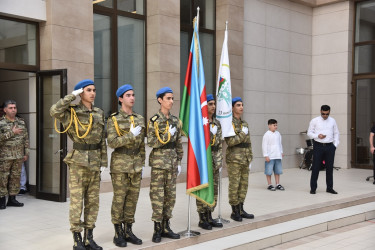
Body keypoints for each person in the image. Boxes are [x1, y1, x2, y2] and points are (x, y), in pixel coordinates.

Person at [50, 79, 107, 250]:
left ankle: (89, 237)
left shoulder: (99, 113)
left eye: (94, 90)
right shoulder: (71, 112)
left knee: (92, 202)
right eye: (88, 90)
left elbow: (101, 141)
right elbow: (54, 110)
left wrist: (104, 161)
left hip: (95, 162)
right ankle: (77, 239)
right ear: (80, 93)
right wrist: (70, 97)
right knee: (77, 202)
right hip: (78, 163)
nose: (92, 93)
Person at [107, 84, 145, 247]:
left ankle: (128, 230)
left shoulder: (139, 118)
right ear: (120, 98)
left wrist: (142, 162)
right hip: (120, 165)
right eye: (128, 95)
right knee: (119, 199)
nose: (132, 98)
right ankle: (118, 232)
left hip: (136, 165)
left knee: (132, 199)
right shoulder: (113, 119)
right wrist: (130, 135)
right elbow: (112, 142)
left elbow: (142, 144)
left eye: (133, 94)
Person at [147, 87, 183, 243]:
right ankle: (157, 228)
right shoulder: (154, 121)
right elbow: (152, 142)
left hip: (172, 164)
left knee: (170, 197)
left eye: (172, 98)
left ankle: (166, 226)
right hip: (159, 164)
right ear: (160, 100)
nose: (171, 101)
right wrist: (168, 134)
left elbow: (179, 143)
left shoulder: (176, 121)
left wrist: (180, 161)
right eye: (168, 98)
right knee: (157, 197)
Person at [196, 94, 223, 230]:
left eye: (214, 104)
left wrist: (219, 160)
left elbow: (219, 144)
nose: (213, 106)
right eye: (210, 104)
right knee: (204, 188)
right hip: (204, 159)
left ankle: (209, 215)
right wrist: (209, 133)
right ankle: (202, 218)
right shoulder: (200, 122)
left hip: (215, 160)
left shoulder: (217, 123)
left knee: (214, 189)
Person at [225, 97, 254, 222]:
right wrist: (242, 133)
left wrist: (250, 157)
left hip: (245, 159)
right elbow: (231, 142)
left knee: (244, 185)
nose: (241, 107)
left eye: (242, 105)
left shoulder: (244, 123)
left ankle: (241, 208)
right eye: (238, 105)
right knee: (234, 185)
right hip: (235, 159)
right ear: (232, 108)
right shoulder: (229, 123)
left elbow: (249, 143)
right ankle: (234, 210)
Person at [0, 100, 29, 209]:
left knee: (15, 178)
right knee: (3, 178)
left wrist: (26, 152)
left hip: (18, 156)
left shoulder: (21, 122)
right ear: (5, 110)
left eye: (15, 108)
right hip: (5, 156)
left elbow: (25, 138)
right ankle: (2, 200)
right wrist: (12, 133)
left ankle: (12, 199)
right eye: (11, 108)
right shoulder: (1, 123)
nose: (13, 110)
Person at [307, 105, 339, 195]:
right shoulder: (314, 121)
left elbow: (336, 133)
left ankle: (329, 188)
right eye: (323, 114)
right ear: (320, 111)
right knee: (316, 167)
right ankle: (313, 188)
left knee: (329, 168)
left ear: (329, 112)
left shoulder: (332, 121)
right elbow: (309, 133)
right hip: (318, 146)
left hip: (329, 146)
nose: (325, 115)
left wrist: (335, 145)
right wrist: (317, 136)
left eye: (327, 114)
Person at [262, 119, 284, 191]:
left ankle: (278, 184)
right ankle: (269, 184)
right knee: (269, 171)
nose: (276, 126)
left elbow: (280, 144)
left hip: (277, 155)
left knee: (277, 171)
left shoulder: (278, 134)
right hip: (270, 156)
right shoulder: (266, 135)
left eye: (276, 125)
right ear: (269, 126)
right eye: (274, 125)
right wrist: (266, 155)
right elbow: (264, 145)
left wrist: (281, 152)